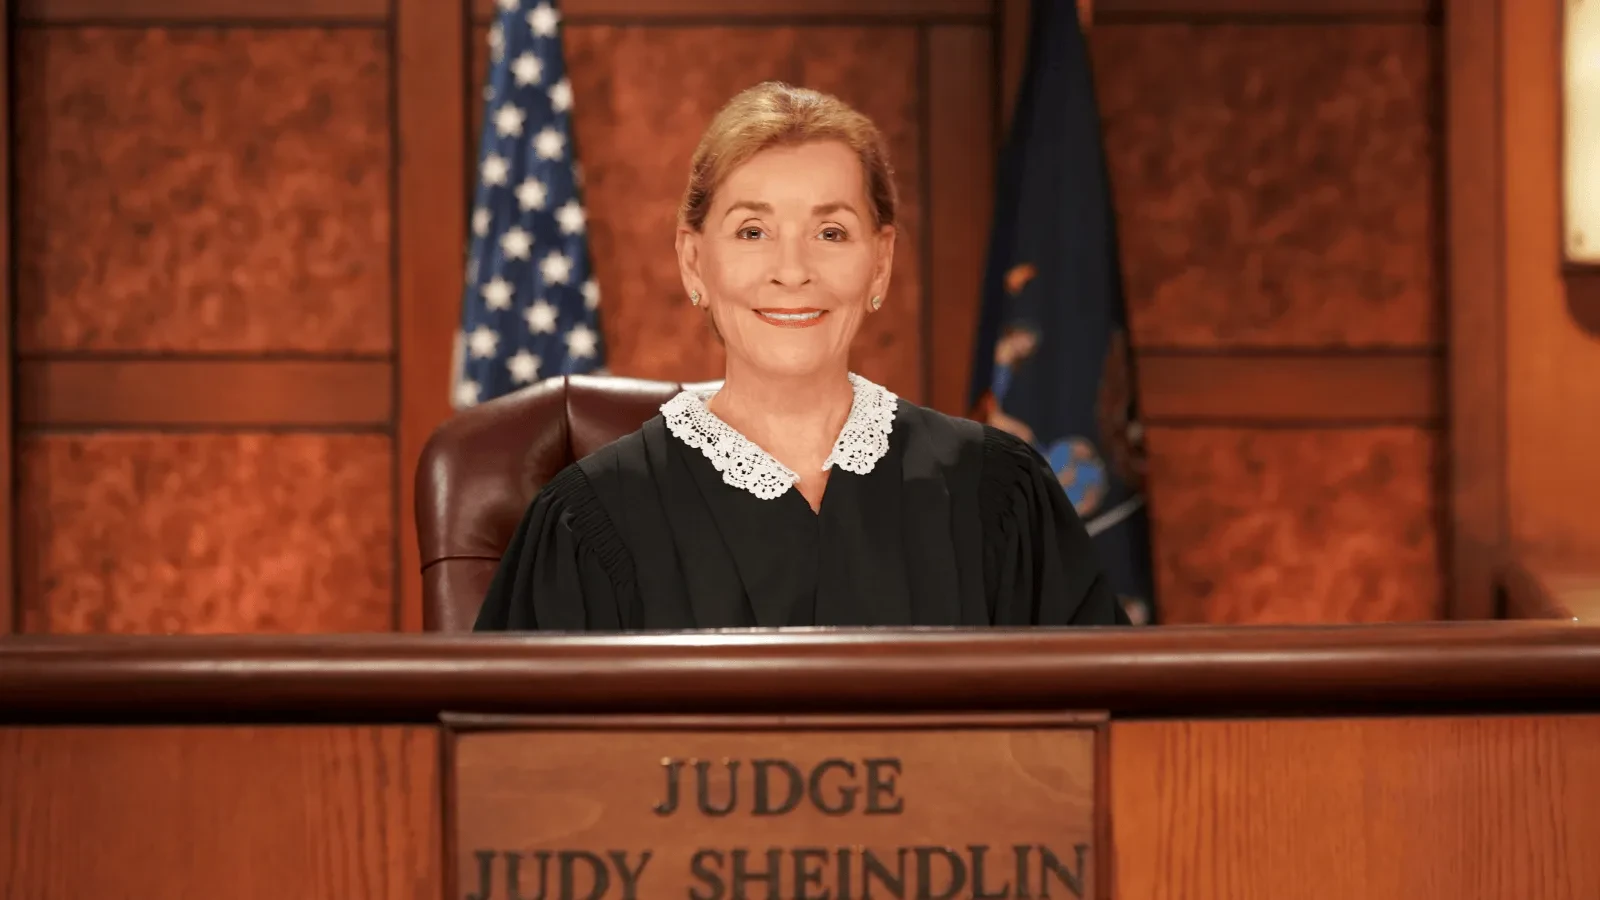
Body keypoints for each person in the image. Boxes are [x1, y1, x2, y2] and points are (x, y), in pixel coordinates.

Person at [473, 81, 1129, 631]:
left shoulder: (998, 496)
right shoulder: (587, 522)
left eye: (831, 232)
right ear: (694, 261)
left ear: (880, 263)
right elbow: (523, 771)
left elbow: (1102, 738)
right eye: (753, 231)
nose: (793, 271)